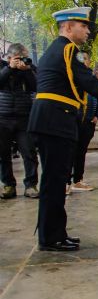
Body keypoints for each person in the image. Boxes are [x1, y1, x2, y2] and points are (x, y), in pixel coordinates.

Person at [28, 7, 98, 252]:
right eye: (83, 26)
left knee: (55, 180)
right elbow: (89, 82)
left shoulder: (56, 50)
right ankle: (50, 237)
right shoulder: (68, 50)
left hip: (52, 119)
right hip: (56, 120)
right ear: (68, 27)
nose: (87, 30)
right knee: (55, 181)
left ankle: (55, 232)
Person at [0, 43, 39, 199]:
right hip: (3, 117)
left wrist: (27, 71)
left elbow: (36, 86)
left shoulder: (30, 68)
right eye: (18, 58)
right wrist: (9, 68)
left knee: (29, 152)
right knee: (3, 154)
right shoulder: (3, 67)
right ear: (10, 57)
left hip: (24, 117)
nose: (22, 60)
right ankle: (8, 185)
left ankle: (31, 185)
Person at [70, 51, 98, 192]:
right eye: (79, 59)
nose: (83, 62)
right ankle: (65, 181)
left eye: (85, 59)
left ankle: (78, 180)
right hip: (72, 120)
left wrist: (97, 116)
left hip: (88, 121)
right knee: (69, 151)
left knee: (81, 151)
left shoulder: (91, 78)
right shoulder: (70, 77)